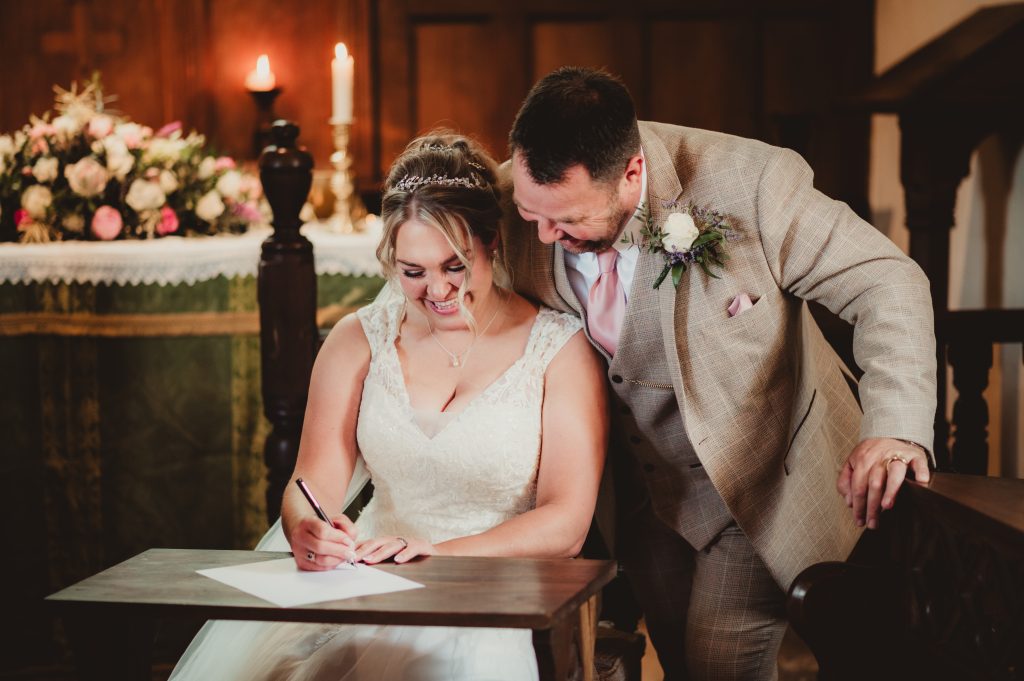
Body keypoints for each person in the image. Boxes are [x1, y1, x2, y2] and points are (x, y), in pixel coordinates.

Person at [500, 66, 937, 681]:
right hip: (639, 499)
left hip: (755, 488)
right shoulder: (514, 202)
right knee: (680, 661)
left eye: (567, 221)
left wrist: (894, 427)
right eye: (529, 213)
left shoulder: (751, 184)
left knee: (718, 667)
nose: (543, 235)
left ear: (630, 174)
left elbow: (887, 281)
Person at [170, 132, 607, 681]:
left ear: (491, 242)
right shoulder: (358, 340)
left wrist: (437, 554)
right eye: (413, 272)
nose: (438, 291)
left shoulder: (558, 350)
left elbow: (566, 523)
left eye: (455, 265)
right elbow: (311, 482)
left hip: (498, 591)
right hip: (367, 586)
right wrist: (308, 527)